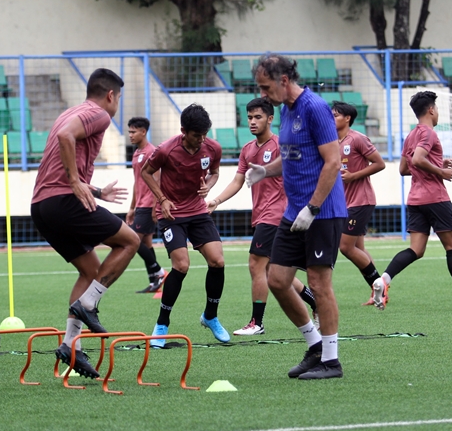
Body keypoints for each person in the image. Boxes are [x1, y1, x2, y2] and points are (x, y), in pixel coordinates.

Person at [30, 68, 140, 379]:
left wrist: (97, 191)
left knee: (90, 270)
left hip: (42, 206)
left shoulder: (70, 112)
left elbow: (57, 162)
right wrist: (76, 182)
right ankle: (88, 304)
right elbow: (66, 139)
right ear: (111, 95)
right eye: (119, 98)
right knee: (130, 241)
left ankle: (70, 345)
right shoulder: (99, 114)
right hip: (63, 201)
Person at [247, 54, 348, 380]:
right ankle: (315, 345)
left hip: (323, 212)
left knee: (319, 283)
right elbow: (292, 158)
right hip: (294, 213)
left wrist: (313, 207)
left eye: (266, 87)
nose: (263, 94)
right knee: (277, 280)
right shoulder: (287, 110)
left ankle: (331, 361)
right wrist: (265, 170)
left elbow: (332, 162)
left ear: (284, 80)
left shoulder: (315, 108)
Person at [207, 98, 321, 336]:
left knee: (255, 264)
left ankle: (256, 323)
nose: (252, 121)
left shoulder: (280, 145)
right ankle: (315, 302)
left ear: (270, 119)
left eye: (258, 117)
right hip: (261, 215)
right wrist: (216, 201)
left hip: (276, 215)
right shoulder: (247, 149)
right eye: (249, 117)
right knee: (272, 271)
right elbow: (238, 181)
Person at [371, 91, 452, 310]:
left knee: (416, 250)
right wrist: (440, 172)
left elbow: (404, 168)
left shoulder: (411, 135)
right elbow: (418, 159)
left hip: (415, 199)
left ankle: (384, 280)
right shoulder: (429, 133)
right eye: (436, 109)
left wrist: (435, 163)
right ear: (431, 110)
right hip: (435, 198)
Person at [141, 103, 230, 348]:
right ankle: (162, 324)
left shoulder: (213, 147)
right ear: (183, 131)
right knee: (181, 265)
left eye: (204, 134)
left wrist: (208, 186)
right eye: (196, 135)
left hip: (198, 212)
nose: (201, 140)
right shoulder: (166, 150)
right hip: (172, 214)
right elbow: (146, 173)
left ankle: (210, 316)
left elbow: (215, 172)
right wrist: (162, 199)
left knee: (218, 261)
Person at [330, 101, 387, 307]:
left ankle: (380, 286)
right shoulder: (331, 142)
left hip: (361, 200)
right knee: (358, 248)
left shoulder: (357, 139)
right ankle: (378, 291)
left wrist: (354, 176)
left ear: (347, 118)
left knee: (345, 247)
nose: (332, 118)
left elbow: (380, 163)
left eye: (336, 115)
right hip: (344, 203)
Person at [126, 116, 166, 293]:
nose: (130, 135)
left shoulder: (151, 152)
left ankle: (159, 271)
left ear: (143, 132)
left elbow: (157, 180)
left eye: (133, 132)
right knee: (146, 243)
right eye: (129, 131)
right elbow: (137, 182)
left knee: (132, 240)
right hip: (140, 205)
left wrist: (156, 206)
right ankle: (154, 281)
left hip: (149, 204)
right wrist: (131, 207)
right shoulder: (136, 154)